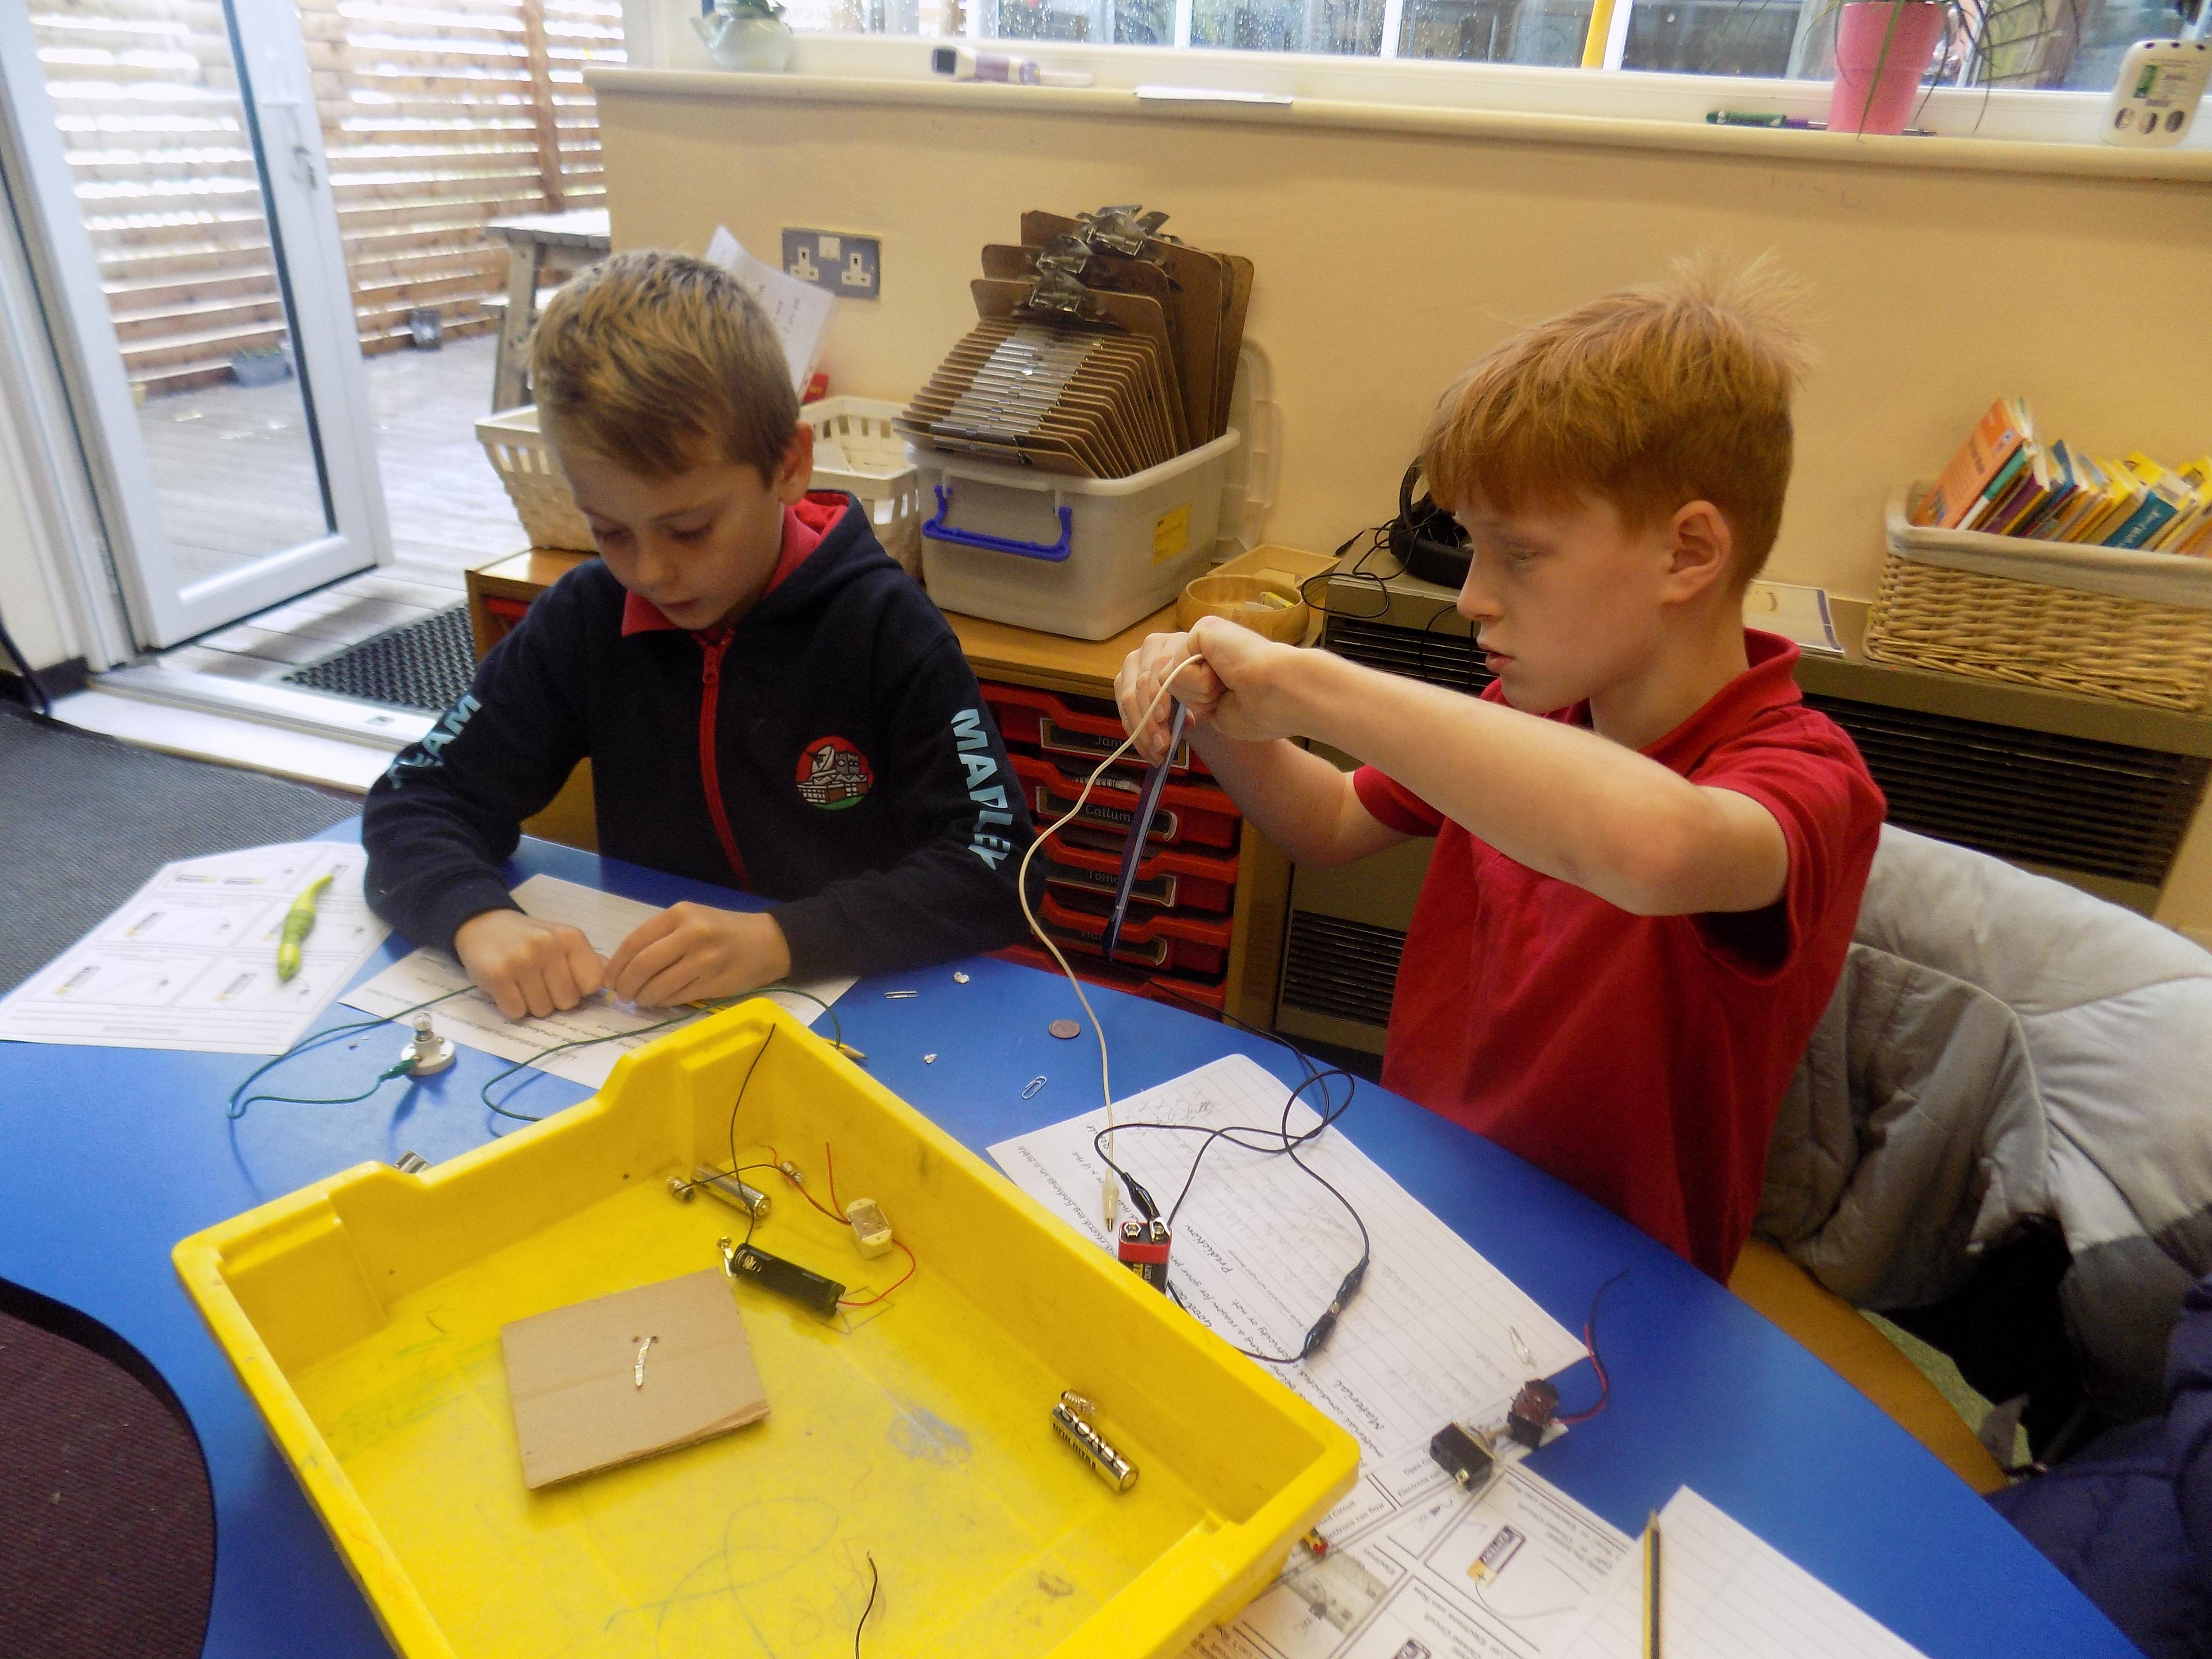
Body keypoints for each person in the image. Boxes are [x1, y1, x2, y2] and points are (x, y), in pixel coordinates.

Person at [1114, 259, 1884, 1280]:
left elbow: (1652, 846)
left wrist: (1311, 684)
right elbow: (1329, 821)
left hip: (1613, 1286)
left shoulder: (1805, 778)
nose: (1472, 597)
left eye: (1516, 554)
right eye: (1469, 549)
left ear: (1689, 553)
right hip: (1422, 1204)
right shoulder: (1528, 717)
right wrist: (1211, 707)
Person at [364, 250, 1032, 1018]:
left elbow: (1001, 868)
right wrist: (475, 917)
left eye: (690, 529)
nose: (651, 572)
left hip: (867, 1013)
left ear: (788, 466)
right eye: (611, 531)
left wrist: (784, 939)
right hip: (651, 1021)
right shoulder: (587, 618)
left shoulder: (886, 629)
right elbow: (416, 800)